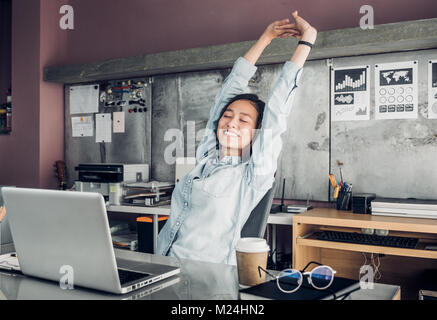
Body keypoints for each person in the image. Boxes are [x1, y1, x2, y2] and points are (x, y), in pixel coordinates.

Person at [157, 11, 317, 265]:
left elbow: (277, 108)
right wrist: (265, 38)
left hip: (208, 276)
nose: (231, 123)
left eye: (243, 120)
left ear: (257, 131)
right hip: (165, 262)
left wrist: (307, 41)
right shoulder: (207, 157)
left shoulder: (253, 174)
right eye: (227, 116)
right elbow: (229, 90)